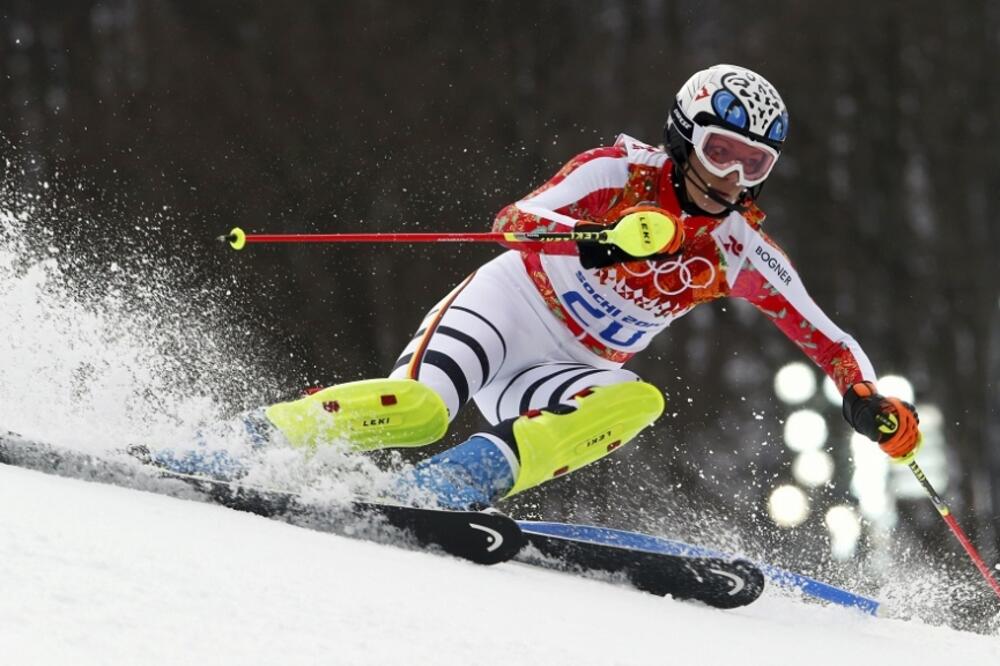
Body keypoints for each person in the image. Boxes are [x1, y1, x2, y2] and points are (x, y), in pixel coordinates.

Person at [157, 64, 922, 509]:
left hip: (571, 366)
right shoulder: (618, 172)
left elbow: (827, 337)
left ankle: (459, 481)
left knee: (640, 399)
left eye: (755, 165)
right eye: (723, 151)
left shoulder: (738, 247)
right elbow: (515, 222)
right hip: (508, 311)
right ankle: (241, 442)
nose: (732, 178)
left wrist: (869, 400)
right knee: (420, 409)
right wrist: (602, 238)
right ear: (685, 135)